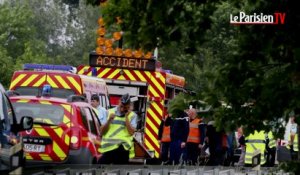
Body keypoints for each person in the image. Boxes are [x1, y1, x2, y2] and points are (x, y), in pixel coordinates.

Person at [98, 93, 137, 164]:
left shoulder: (132, 115)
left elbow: (131, 132)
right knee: (99, 168)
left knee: (120, 171)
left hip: (123, 148)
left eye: (125, 108)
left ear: (129, 107)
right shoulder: (109, 112)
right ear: (119, 102)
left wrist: (126, 118)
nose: (122, 109)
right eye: (121, 106)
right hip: (109, 147)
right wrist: (109, 120)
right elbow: (101, 132)